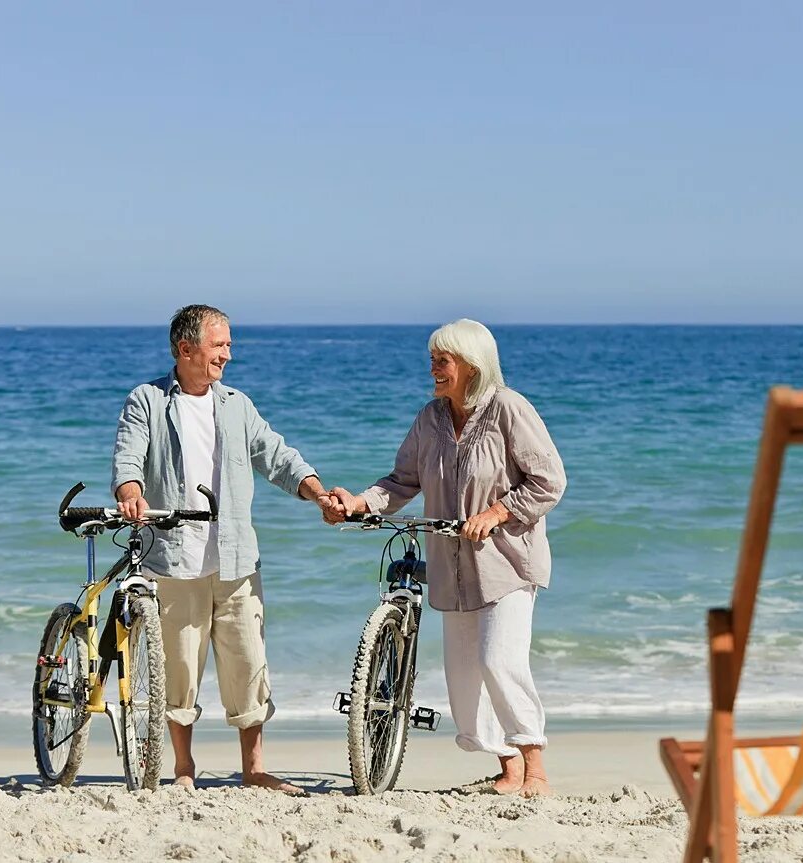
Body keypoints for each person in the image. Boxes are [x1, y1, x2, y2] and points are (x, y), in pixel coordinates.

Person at [325, 319, 566, 797]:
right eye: (432, 358)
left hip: (508, 563)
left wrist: (497, 512)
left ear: (472, 366)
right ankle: (507, 766)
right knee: (464, 677)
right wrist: (358, 503)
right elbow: (401, 482)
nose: (433, 368)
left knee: (500, 661)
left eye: (443, 360)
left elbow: (548, 481)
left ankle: (535, 764)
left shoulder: (509, 410)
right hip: (451, 568)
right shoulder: (429, 419)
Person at [112, 304, 344, 793]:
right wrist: (131, 490)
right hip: (174, 559)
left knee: (247, 664)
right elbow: (128, 454)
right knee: (178, 668)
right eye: (220, 346)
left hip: (236, 558)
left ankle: (255, 770)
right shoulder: (148, 401)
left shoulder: (236, 404)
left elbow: (276, 455)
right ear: (186, 349)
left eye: (229, 345)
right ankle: (182, 768)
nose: (228, 355)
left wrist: (317, 491)